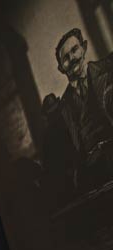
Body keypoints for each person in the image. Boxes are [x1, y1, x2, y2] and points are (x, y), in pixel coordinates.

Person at [42, 27, 113, 193]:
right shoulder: (62, 109)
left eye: (74, 50)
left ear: (84, 47)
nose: (72, 58)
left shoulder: (109, 70)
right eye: (65, 58)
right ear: (61, 68)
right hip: (93, 176)